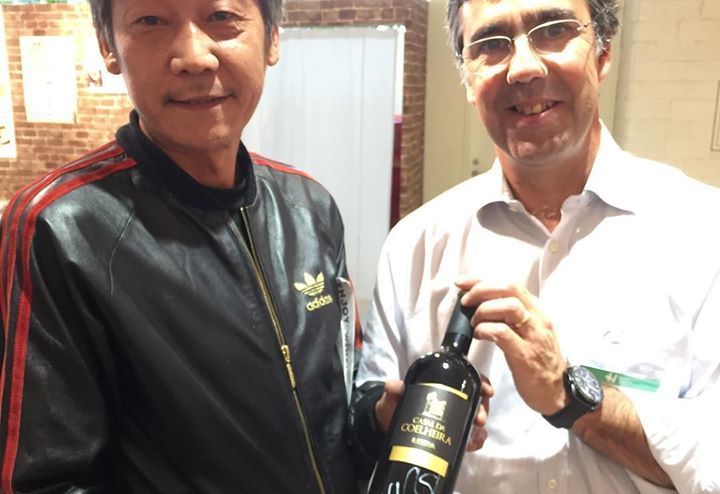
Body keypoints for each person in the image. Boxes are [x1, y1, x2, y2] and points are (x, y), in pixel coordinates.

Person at [351, 0, 720, 492]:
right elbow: (374, 431)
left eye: (553, 30)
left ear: (603, 52)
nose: (523, 68)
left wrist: (570, 397)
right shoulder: (414, 246)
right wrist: (387, 419)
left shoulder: (702, 231)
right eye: (491, 44)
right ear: (467, 79)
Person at [0, 0, 360, 492]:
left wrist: (378, 417)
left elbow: (338, 399)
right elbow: (47, 481)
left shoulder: (310, 205)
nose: (194, 57)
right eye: (151, 21)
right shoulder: (58, 229)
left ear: (273, 37)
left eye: (222, 17)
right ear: (108, 46)